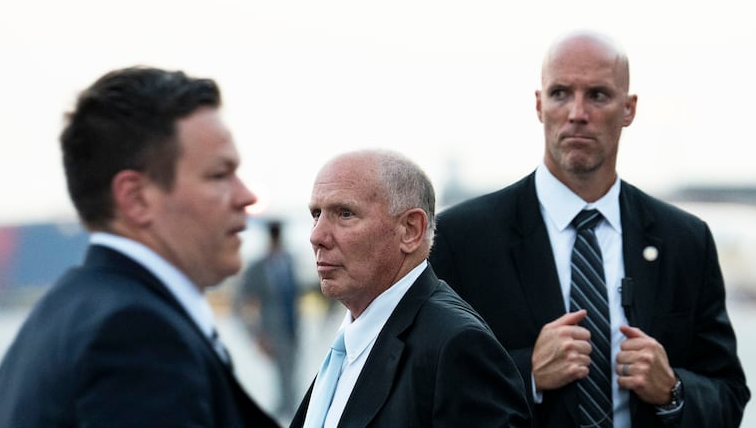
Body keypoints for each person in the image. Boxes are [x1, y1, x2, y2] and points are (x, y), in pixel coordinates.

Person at [429, 30, 751, 427]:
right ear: (539, 105)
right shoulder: (462, 239)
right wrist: (526, 374)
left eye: (598, 95)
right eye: (560, 93)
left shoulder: (685, 240)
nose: (577, 113)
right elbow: (425, 392)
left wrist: (673, 391)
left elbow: (729, 394)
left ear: (629, 109)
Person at [0, 66, 280, 427]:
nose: (246, 196)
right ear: (136, 198)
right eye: (219, 174)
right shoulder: (136, 335)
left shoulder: (66, 311)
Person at [290, 149, 531, 428]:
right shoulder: (352, 342)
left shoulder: (455, 345)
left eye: (345, 213)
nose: (316, 236)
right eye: (316, 214)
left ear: (410, 230)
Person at [237, 219, 301, 419]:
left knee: (291, 372)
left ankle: (291, 410)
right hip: (272, 330)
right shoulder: (258, 267)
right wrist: (256, 334)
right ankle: (286, 411)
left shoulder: (289, 261)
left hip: (292, 327)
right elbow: (243, 302)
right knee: (281, 373)